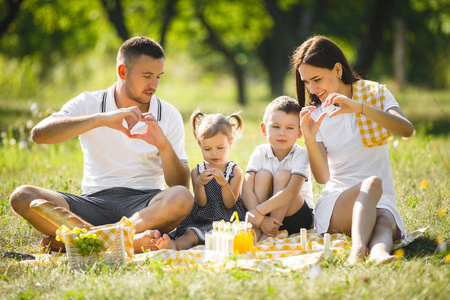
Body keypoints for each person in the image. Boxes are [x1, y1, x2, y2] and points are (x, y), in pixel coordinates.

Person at [9, 36, 194, 253]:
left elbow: (180, 185)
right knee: (22, 197)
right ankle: (124, 242)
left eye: (158, 77)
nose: (153, 85)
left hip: (145, 207)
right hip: (92, 203)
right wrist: (101, 119)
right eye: (146, 76)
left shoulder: (169, 114)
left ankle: (89, 241)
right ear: (122, 72)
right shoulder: (90, 103)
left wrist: (163, 146)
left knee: (182, 198)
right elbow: (39, 135)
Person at [293, 36, 414, 265]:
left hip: (381, 200)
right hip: (338, 201)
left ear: (337, 69)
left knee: (385, 221)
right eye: (306, 82)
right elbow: (322, 178)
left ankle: (378, 253)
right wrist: (309, 139)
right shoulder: (316, 115)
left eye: (316, 79)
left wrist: (359, 108)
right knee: (372, 183)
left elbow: (406, 130)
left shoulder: (374, 94)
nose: (312, 88)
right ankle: (357, 251)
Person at [156, 110, 247, 250]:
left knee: (226, 238)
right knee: (190, 234)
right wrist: (199, 184)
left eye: (220, 148)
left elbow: (230, 204)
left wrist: (224, 184)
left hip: (226, 220)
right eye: (207, 149)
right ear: (200, 144)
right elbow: (201, 203)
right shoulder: (197, 172)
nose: (214, 153)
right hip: (203, 219)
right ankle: (173, 245)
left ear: (230, 142)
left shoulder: (234, 171)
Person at [242, 96, 314, 242]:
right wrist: (261, 220)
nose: (282, 133)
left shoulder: (301, 154)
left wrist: (258, 212)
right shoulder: (260, 152)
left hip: (297, 218)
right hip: (264, 218)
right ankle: (257, 230)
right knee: (262, 175)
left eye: (289, 128)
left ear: (299, 133)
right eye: (275, 127)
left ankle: (269, 236)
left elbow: (291, 192)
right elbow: (246, 189)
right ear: (264, 129)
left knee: (283, 175)